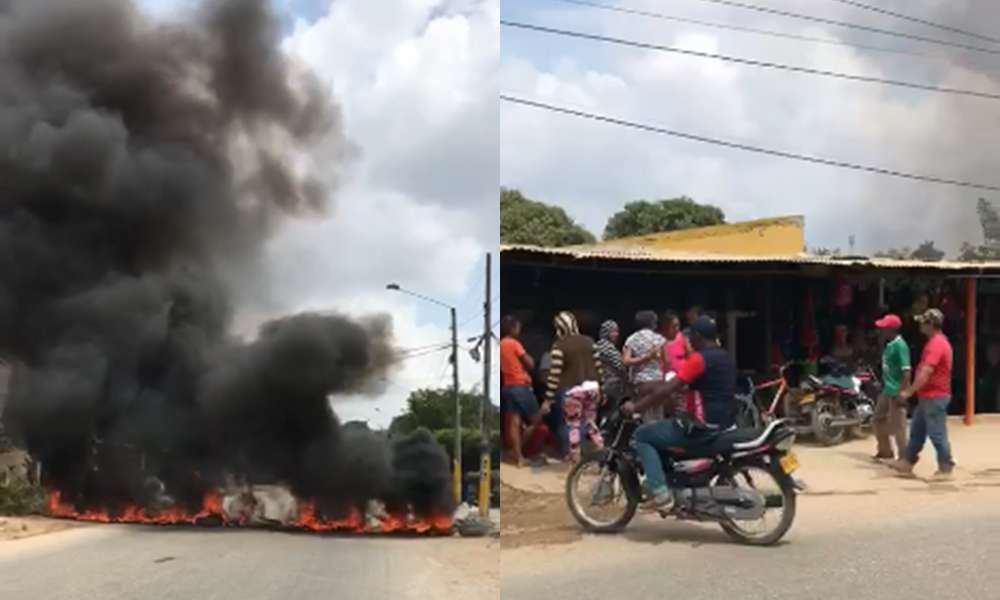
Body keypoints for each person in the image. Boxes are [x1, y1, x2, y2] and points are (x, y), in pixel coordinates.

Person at [622, 316, 736, 511]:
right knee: (664, 429)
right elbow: (707, 386)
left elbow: (666, 390)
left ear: (698, 337)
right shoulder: (725, 356)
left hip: (700, 426)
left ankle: (660, 494)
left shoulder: (699, 359)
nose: (689, 341)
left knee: (642, 435)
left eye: (691, 337)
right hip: (725, 423)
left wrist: (636, 407)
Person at [894, 309, 956, 481]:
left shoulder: (936, 344)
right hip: (928, 395)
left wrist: (909, 391)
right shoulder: (937, 342)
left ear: (931, 325)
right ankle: (907, 462)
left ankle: (945, 467)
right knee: (917, 431)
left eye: (923, 322)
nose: (920, 325)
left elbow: (926, 372)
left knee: (937, 433)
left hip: (935, 396)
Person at [544, 312, 604, 461]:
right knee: (590, 423)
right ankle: (602, 453)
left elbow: (554, 375)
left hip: (572, 391)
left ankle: (574, 458)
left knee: (573, 426)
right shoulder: (590, 342)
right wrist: (602, 388)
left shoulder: (559, 345)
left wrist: (548, 399)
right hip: (593, 388)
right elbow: (599, 368)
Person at [499, 316, 546, 467]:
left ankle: (518, 457)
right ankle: (518, 452)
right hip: (520, 386)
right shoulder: (514, 343)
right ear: (512, 328)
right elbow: (530, 363)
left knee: (514, 422)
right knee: (536, 419)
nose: (519, 330)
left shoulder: (499, 345)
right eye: (518, 327)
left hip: (507, 386)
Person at [872, 314, 910, 462]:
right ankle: (885, 450)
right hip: (887, 389)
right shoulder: (889, 344)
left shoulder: (900, 346)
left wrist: (903, 392)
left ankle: (904, 457)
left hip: (896, 390)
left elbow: (906, 372)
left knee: (899, 426)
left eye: (884, 328)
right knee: (877, 419)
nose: (881, 330)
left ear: (892, 329)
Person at [660, 311, 703, 422]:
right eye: (673, 326)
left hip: (682, 376)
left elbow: (690, 355)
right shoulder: (659, 340)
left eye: (678, 325)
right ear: (665, 326)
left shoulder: (682, 338)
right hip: (666, 378)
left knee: (689, 402)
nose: (677, 328)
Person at [623, 311, 666, 423]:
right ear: (653, 323)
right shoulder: (660, 339)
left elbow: (626, 361)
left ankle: (647, 438)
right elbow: (666, 362)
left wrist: (643, 358)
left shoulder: (632, 339)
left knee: (645, 416)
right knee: (658, 414)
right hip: (658, 381)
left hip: (641, 383)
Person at [594, 320, 627, 418]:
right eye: (613, 331)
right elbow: (621, 367)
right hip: (611, 386)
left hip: (600, 386)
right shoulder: (607, 348)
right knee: (610, 414)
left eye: (617, 331)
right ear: (606, 333)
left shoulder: (596, 346)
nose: (616, 334)